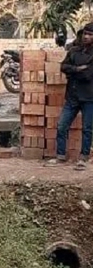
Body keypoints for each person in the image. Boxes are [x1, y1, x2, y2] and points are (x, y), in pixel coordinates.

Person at [45, 22, 93, 169]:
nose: (86, 37)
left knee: (87, 128)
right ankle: (60, 156)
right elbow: (63, 67)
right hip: (72, 96)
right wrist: (77, 68)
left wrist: (73, 71)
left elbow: (87, 74)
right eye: (85, 33)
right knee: (61, 125)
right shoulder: (74, 50)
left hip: (89, 97)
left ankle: (83, 158)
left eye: (90, 35)